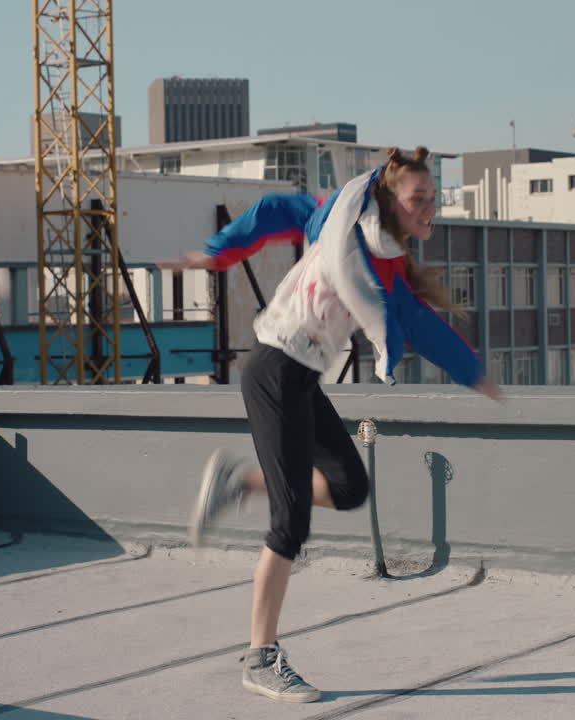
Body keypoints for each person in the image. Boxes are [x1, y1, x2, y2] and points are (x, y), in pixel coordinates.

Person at [163, 146, 502, 703]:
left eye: (433, 199)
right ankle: (260, 658)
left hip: (301, 379)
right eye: (420, 199)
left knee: (349, 487)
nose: (430, 210)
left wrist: (474, 374)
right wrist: (217, 254)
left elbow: (417, 321)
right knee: (290, 524)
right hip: (274, 367)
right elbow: (277, 209)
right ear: (391, 199)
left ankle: (237, 482)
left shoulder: (389, 263)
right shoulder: (340, 219)